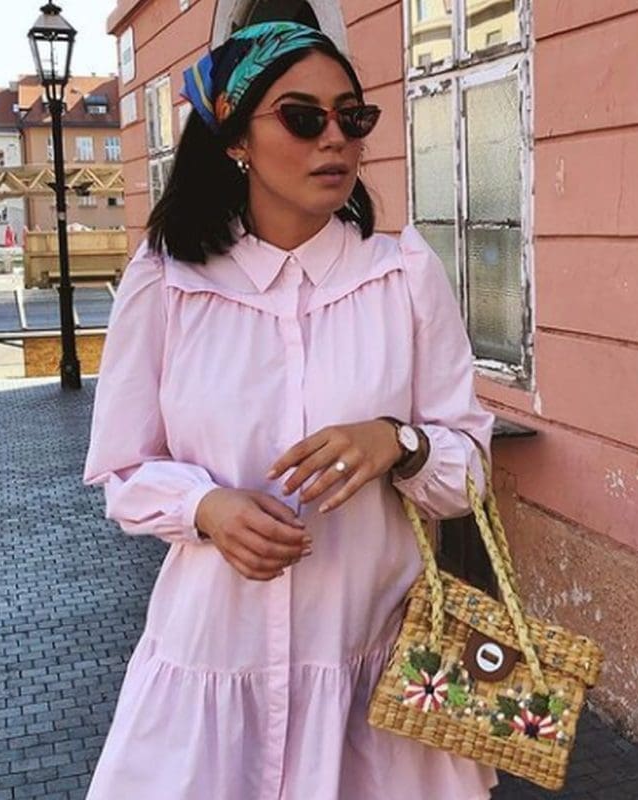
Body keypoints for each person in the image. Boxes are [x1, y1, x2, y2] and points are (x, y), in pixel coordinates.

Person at [82, 20, 497, 800]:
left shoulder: (403, 274)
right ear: (237, 138)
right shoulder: (169, 281)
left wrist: (399, 443)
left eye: (353, 117)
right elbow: (122, 471)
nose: (335, 139)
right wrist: (205, 508)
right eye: (303, 118)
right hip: (212, 667)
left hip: (377, 675)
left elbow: (469, 473)